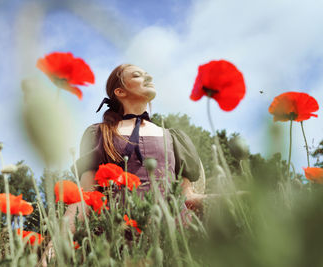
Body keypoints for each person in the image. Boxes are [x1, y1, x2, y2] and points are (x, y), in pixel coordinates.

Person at [39, 64, 206, 266]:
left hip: (173, 240)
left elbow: (187, 197)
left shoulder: (172, 137)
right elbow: (85, 198)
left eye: (147, 72)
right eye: (137, 75)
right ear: (120, 91)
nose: (148, 76)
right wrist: (52, 250)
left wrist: (234, 199)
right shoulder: (100, 134)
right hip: (117, 242)